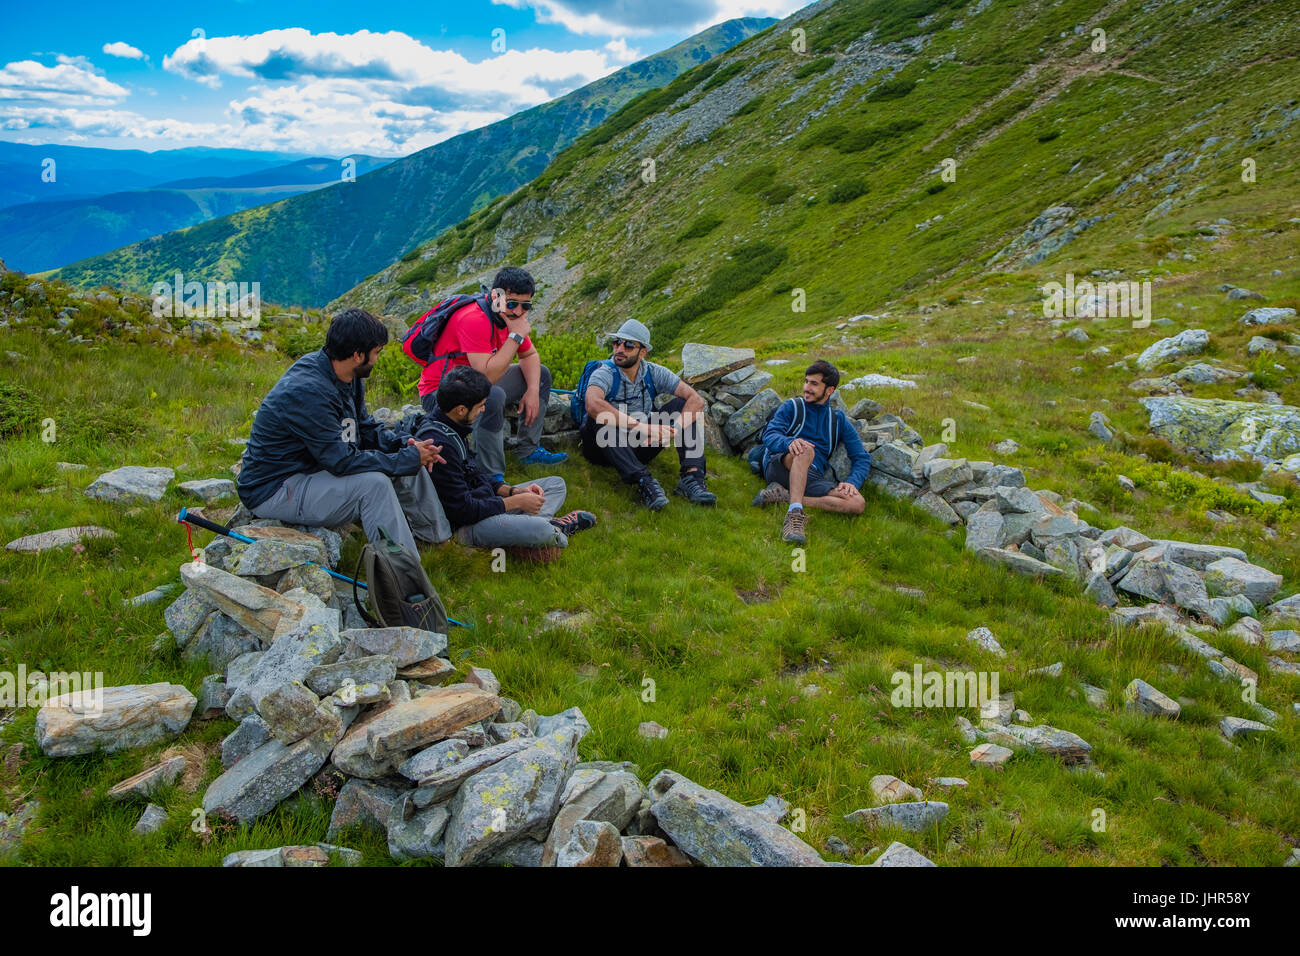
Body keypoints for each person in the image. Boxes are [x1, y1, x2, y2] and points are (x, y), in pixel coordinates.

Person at [237, 308, 450, 557]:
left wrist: (404, 445)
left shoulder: (347, 375)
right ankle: (405, 580)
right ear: (358, 355)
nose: (378, 359)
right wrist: (406, 459)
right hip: (277, 487)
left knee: (408, 456)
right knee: (375, 485)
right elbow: (341, 461)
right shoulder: (308, 392)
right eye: (377, 352)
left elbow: (364, 428)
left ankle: (437, 543)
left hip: (314, 467)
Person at [417, 365, 595, 555]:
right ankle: (553, 529)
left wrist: (514, 491)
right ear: (461, 409)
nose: (483, 409)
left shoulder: (453, 427)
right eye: (479, 406)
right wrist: (516, 502)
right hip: (467, 525)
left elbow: (476, 475)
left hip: (486, 504)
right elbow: (462, 510)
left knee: (556, 485)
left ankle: (522, 533)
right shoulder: (438, 446)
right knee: (542, 531)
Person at [416, 266, 566, 487]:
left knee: (540, 374)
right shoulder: (473, 318)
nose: (518, 312)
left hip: (475, 381)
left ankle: (528, 450)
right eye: (512, 303)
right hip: (440, 392)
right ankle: (491, 474)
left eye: (526, 306)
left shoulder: (506, 317)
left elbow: (530, 355)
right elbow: (485, 379)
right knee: (492, 395)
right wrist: (515, 336)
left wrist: (532, 391)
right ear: (496, 296)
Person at [579, 319, 716, 510]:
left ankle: (692, 477)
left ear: (643, 352)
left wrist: (673, 430)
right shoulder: (605, 373)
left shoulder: (653, 373)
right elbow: (593, 404)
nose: (619, 349)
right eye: (616, 342)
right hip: (602, 448)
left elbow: (696, 400)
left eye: (628, 345)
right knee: (602, 418)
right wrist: (643, 427)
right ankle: (644, 481)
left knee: (684, 405)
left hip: (640, 444)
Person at [753, 359, 870, 545]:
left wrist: (852, 482)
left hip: (812, 476)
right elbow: (770, 435)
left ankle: (784, 496)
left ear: (829, 390)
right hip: (781, 464)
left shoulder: (838, 420)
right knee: (805, 450)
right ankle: (794, 516)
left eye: (814, 383)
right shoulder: (792, 406)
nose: (807, 387)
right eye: (806, 381)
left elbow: (861, 457)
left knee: (857, 503)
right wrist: (790, 442)